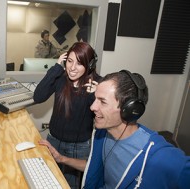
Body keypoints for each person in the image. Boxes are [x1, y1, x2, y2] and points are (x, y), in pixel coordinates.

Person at [39, 70, 190, 189]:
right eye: (95, 99)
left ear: (129, 109)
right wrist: (61, 159)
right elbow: (94, 168)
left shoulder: (162, 158)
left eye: (102, 102)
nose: (92, 107)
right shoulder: (102, 134)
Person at [33, 42, 101, 189]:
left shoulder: (97, 85)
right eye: (70, 61)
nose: (72, 67)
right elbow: (38, 97)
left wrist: (96, 95)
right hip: (53, 140)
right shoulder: (60, 77)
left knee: (69, 185)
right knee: (47, 180)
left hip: (79, 147)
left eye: (79, 63)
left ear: (89, 65)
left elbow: (103, 118)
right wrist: (56, 68)